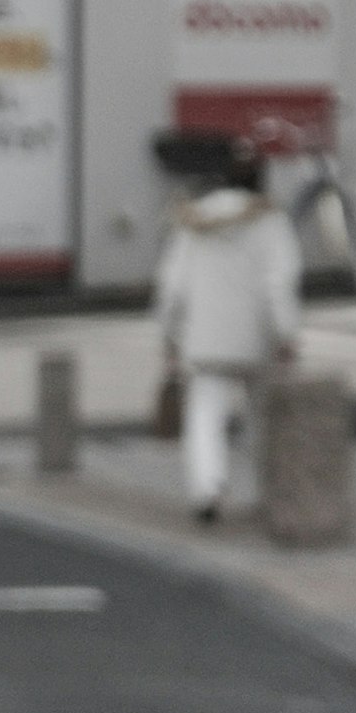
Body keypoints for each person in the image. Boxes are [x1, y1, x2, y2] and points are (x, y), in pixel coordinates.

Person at [149, 133, 305, 527]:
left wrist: (169, 335)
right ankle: (266, 492)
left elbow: (172, 286)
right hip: (257, 339)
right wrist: (287, 334)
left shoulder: (193, 221)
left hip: (206, 337)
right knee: (263, 418)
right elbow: (279, 283)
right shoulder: (272, 222)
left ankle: (209, 489)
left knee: (205, 415)